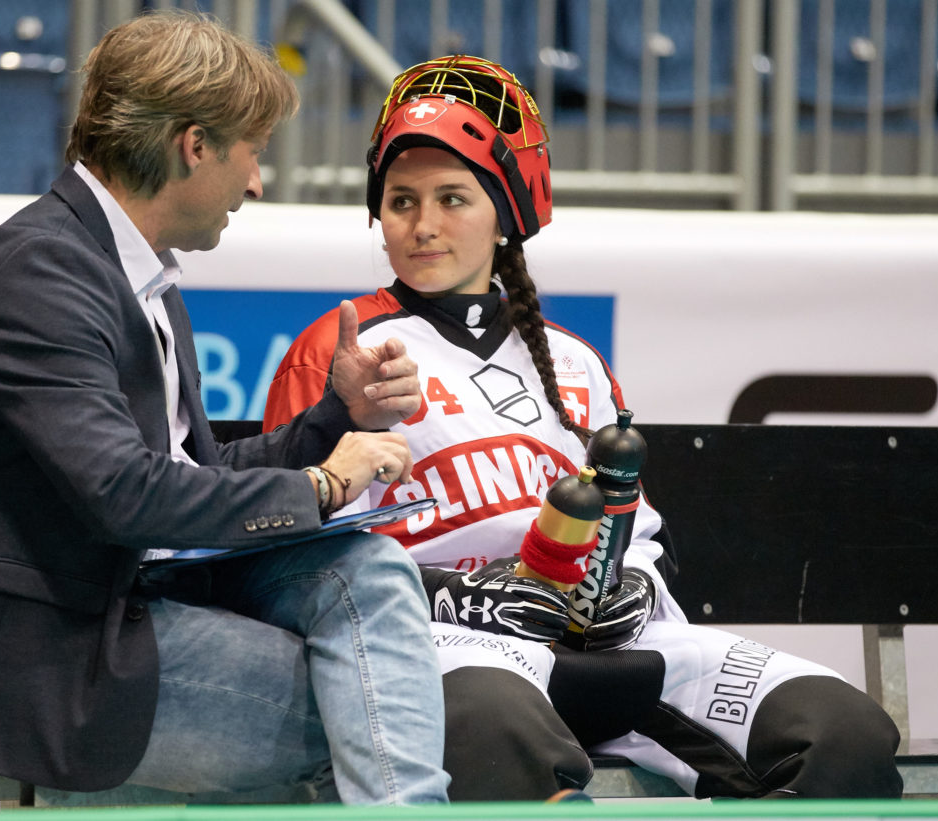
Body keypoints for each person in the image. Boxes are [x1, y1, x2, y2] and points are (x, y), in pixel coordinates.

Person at [263, 54, 903, 800]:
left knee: (843, 733)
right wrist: (463, 596)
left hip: (608, 648)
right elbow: (299, 557)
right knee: (498, 732)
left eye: (452, 198)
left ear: (506, 214)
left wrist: (631, 582)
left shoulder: (573, 360)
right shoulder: (340, 352)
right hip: (443, 648)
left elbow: (637, 536)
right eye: (401, 200)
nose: (423, 225)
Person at [0, 11, 451, 806]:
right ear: (194, 145)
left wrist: (337, 415)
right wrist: (324, 486)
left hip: (141, 604)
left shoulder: (129, 270)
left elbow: (191, 472)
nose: (258, 181)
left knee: (371, 573)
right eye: (253, 151)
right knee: (389, 716)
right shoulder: (41, 276)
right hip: (61, 660)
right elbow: (127, 493)